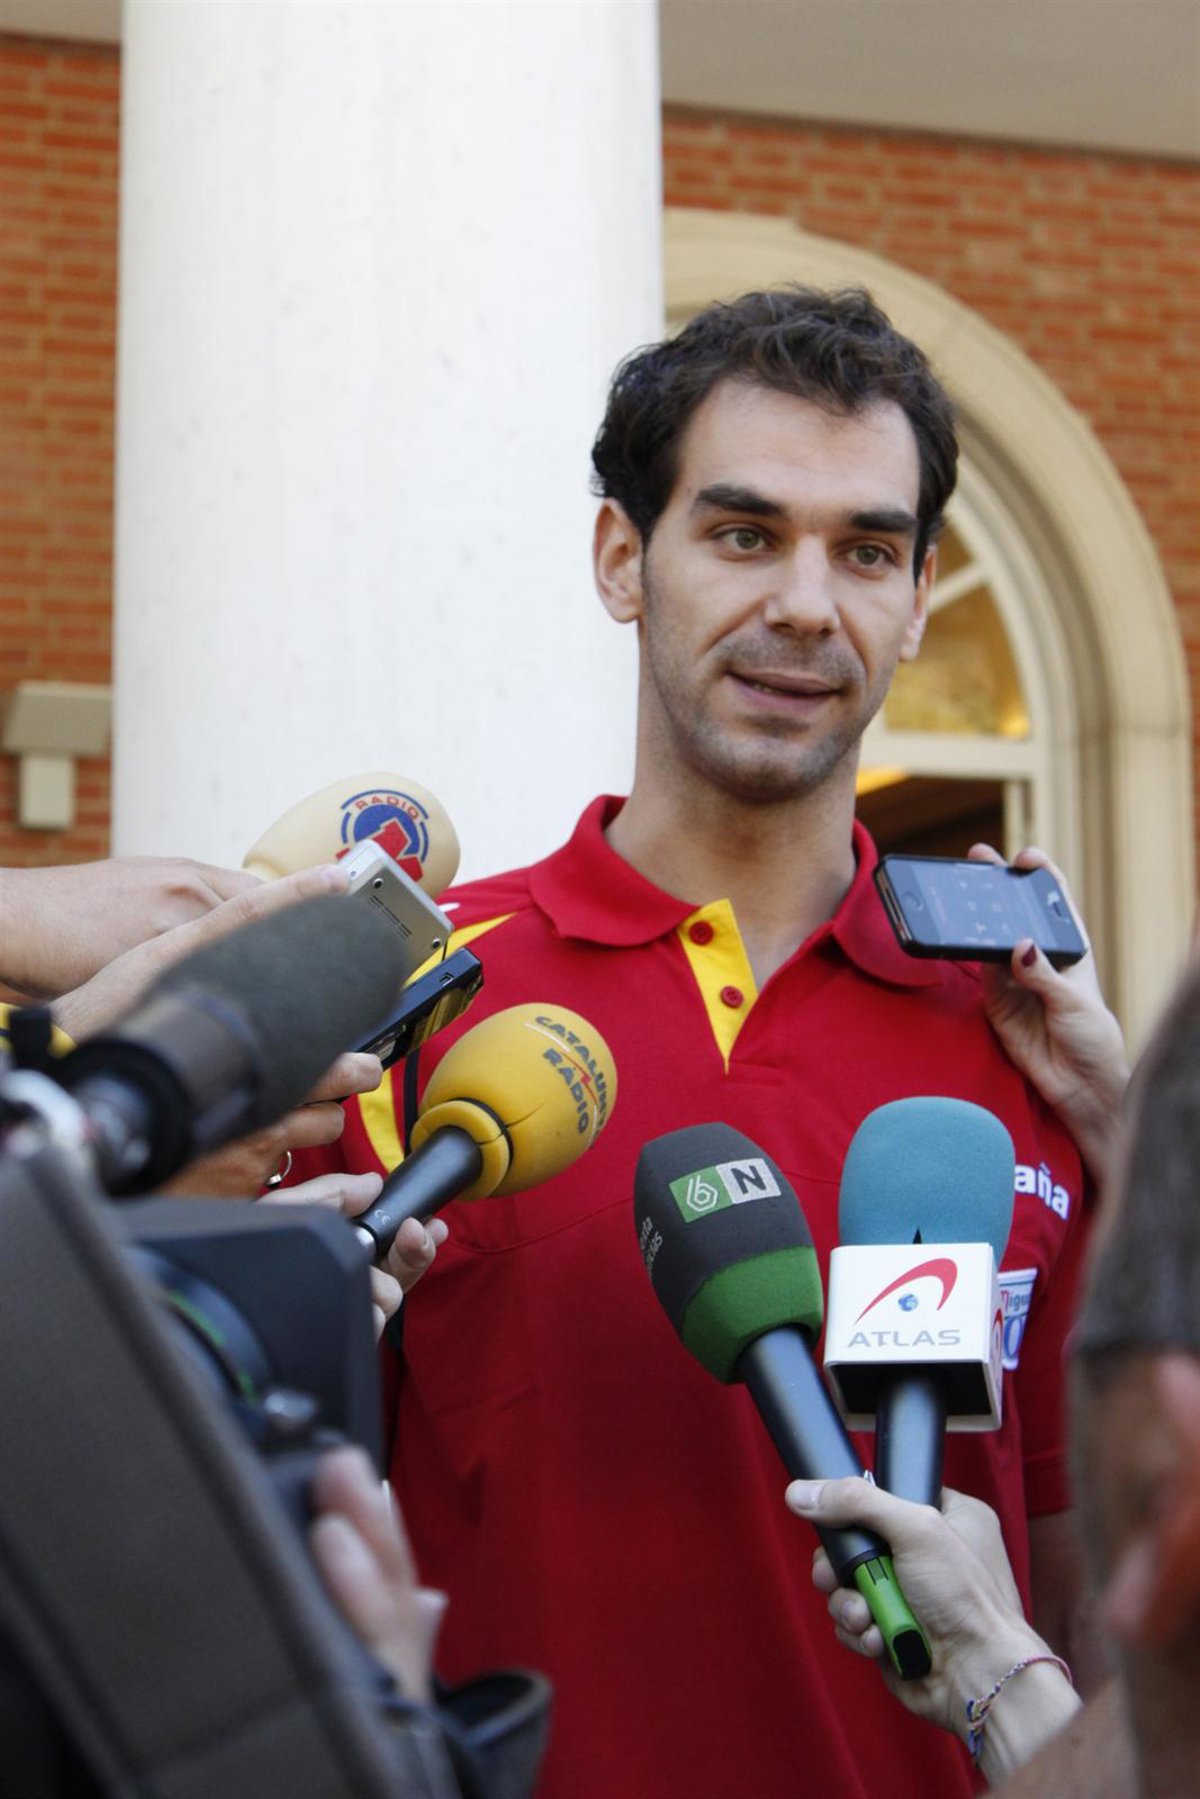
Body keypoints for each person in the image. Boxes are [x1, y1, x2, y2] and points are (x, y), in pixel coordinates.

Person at [295, 285, 1120, 1798]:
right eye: (745, 534)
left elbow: (1092, 1607)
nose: (807, 603)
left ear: (918, 597)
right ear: (624, 558)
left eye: (865, 551)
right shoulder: (416, 995)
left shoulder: (1037, 1049)